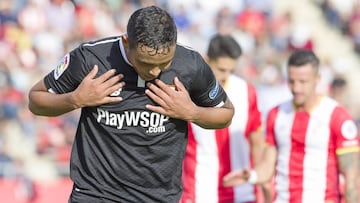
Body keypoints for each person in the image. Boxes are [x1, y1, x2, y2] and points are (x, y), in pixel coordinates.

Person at [28, 6, 234, 203]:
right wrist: (75, 99)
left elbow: (225, 113)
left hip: (160, 197)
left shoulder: (190, 64)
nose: (155, 71)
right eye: (146, 63)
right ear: (126, 42)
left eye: (164, 63)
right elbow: (36, 99)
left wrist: (192, 112)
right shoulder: (90, 59)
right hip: (96, 194)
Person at [223, 49, 360, 203]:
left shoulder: (337, 117)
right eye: (291, 81)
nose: (296, 88)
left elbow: (352, 178)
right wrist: (252, 175)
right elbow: (268, 165)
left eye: (303, 82)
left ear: (317, 79)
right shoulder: (277, 114)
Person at [181, 34, 269, 203]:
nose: (226, 76)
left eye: (231, 70)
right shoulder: (186, 92)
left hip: (242, 193)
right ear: (206, 60)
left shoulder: (247, 92)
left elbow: (256, 142)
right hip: (198, 193)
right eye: (221, 69)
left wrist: (261, 184)